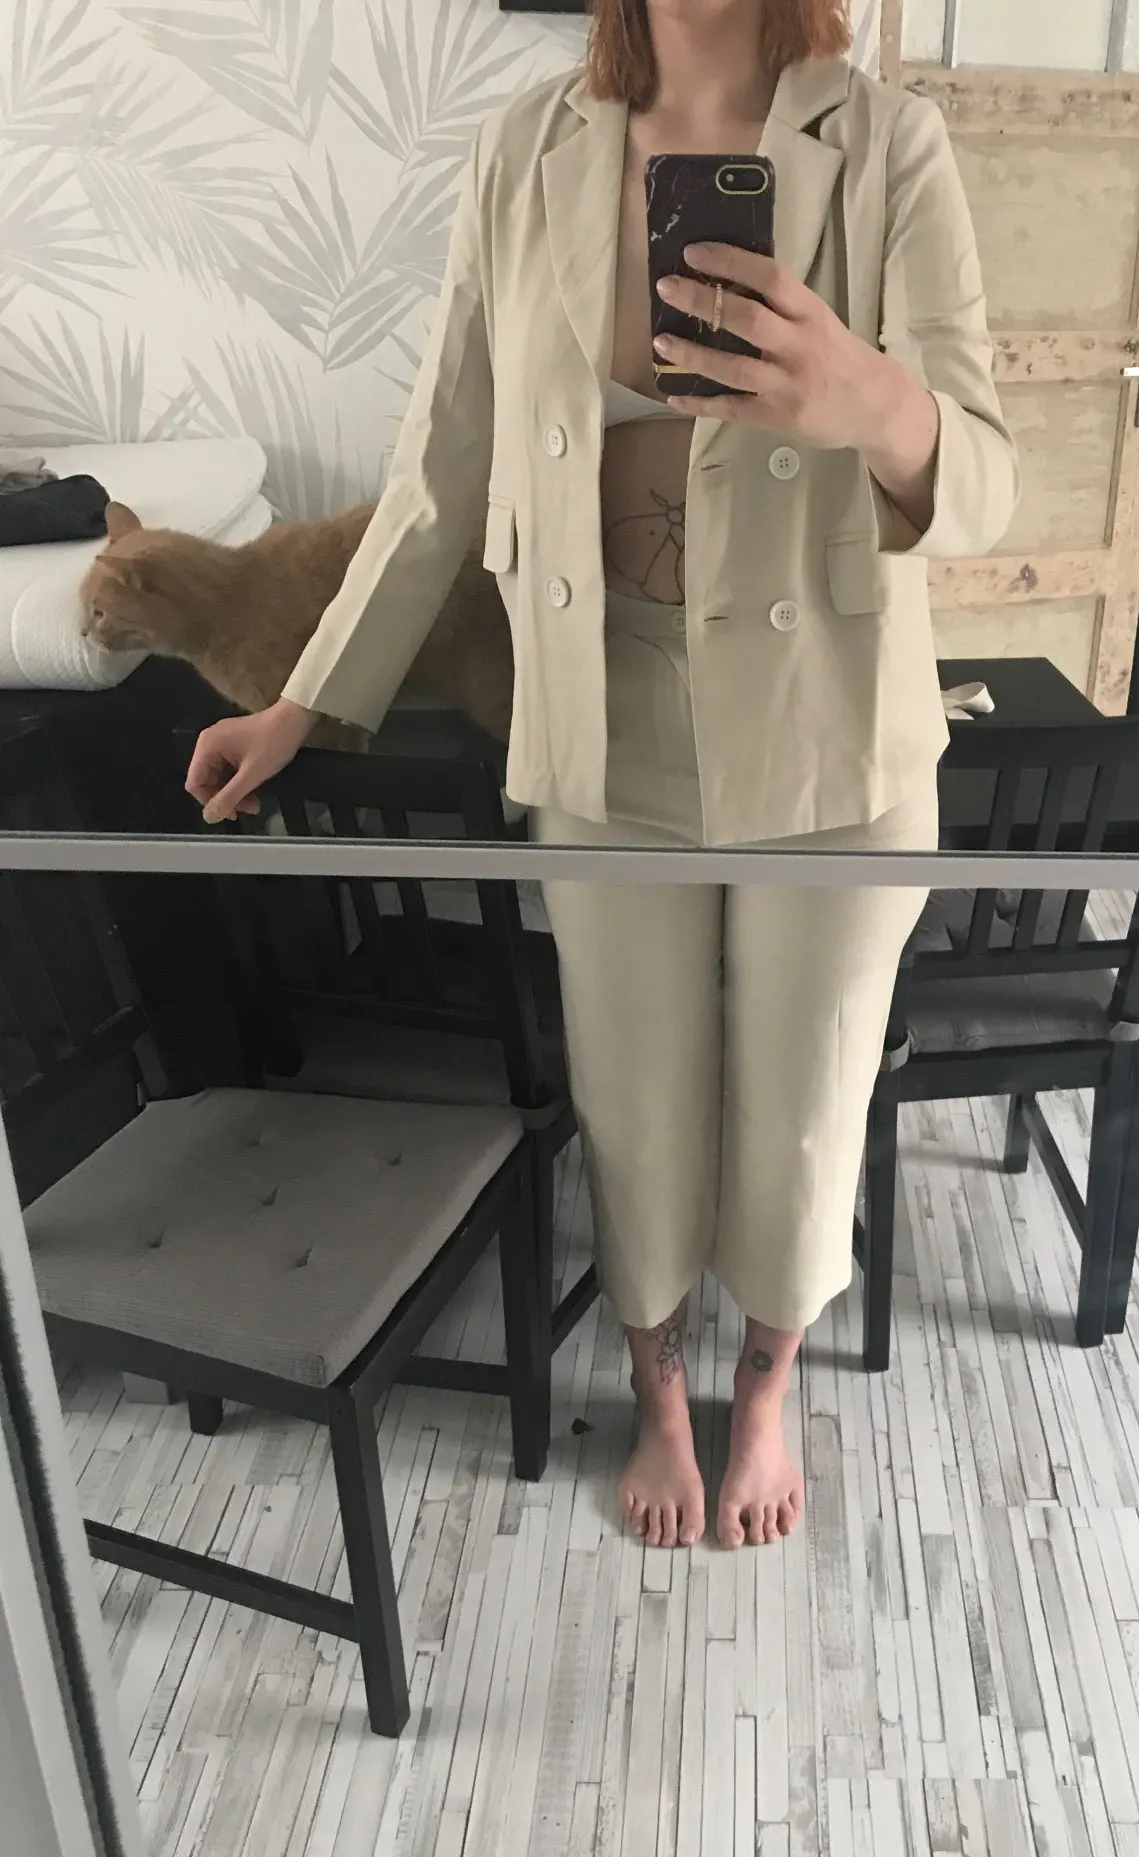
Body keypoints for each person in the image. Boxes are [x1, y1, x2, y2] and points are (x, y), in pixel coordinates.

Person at [185, 0, 1019, 1553]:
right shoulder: (525, 149)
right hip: (599, 710)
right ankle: (657, 1389)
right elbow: (442, 462)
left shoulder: (887, 142)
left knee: (807, 1097)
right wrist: (305, 698)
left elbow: (982, 478)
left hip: (831, 722)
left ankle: (764, 1390)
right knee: (631, 1089)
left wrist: (874, 403)